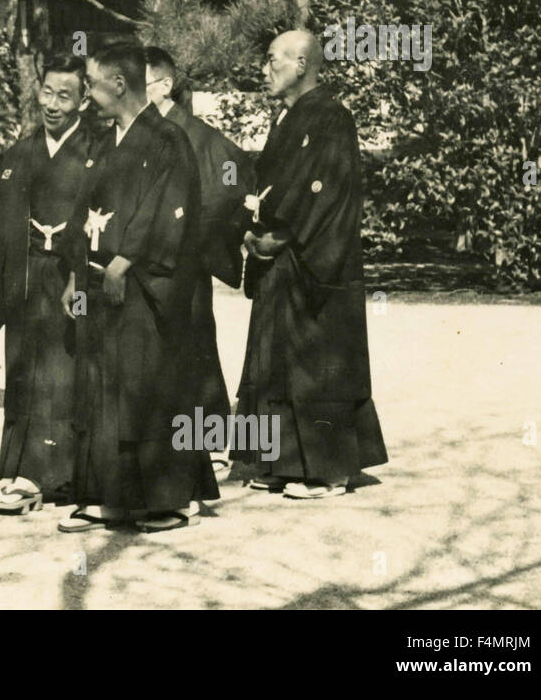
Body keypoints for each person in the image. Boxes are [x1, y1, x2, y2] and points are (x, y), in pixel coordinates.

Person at [57, 44, 219, 533]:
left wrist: (124, 263)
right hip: (99, 282)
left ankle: (164, 501)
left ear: (119, 84)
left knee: (147, 389)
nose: (86, 92)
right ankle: (106, 496)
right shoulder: (106, 141)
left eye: (91, 82)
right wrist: (73, 273)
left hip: (144, 287)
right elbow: (87, 213)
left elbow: (173, 212)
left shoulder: (169, 139)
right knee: (103, 390)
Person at [234, 30, 387, 498]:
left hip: (316, 260)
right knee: (276, 360)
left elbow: (326, 193)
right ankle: (283, 462)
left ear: (302, 63)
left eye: (272, 60)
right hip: (282, 256)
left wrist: (280, 234)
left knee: (314, 362)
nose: (265, 69)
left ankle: (327, 470)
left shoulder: (331, 117)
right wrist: (251, 230)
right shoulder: (288, 118)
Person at [0, 58, 97, 512]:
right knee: (24, 370)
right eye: (46, 92)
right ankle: (22, 470)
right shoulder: (22, 150)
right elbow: (2, 215)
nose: (51, 104)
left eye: (64, 96)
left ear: (84, 101)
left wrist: (78, 275)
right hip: (28, 274)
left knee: (66, 373)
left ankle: (63, 475)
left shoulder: (96, 150)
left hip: (69, 273)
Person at [144, 46, 254, 473]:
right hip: (142, 264)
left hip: (183, 262)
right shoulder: (136, 131)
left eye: (140, 83)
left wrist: (189, 237)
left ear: (165, 85)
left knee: (195, 347)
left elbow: (230, 185)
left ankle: (212, 439)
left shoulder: (200, 136)